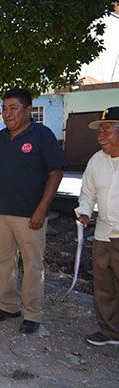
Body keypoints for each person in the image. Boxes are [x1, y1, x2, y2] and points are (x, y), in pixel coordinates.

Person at [0, 88, 64, 334]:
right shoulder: (1, 137)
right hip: (0, 211)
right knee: (2, 262)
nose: (7, 113)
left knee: (33, 264)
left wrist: (42, 209)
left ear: (28, 110)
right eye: (4, 108)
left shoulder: (42, 135)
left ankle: (32, 314)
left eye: (13, 108)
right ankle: (8, 306)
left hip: (30, 214)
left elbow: (55, 173)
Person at [75, 106, 119, 346]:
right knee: (104, 286)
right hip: (103, 234)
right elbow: (87, 192)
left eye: (106, 129)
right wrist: (84, 212)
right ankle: (110, 332)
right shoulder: (96, 161)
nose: (100, 134)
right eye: (100, 130)